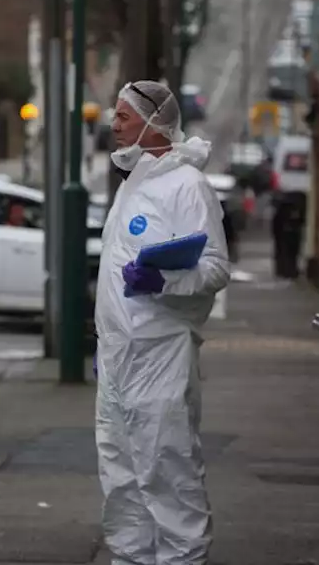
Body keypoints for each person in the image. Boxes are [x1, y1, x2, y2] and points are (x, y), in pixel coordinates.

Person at [96, 80, 231, 565]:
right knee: (122, 479)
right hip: (118, 357)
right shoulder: (136, 181)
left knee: (168, 473)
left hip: (160, 353)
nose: (114, 124)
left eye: (125, 116)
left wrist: (163, 282)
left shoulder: (187, 186)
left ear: (154, 123)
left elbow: (215, 267)